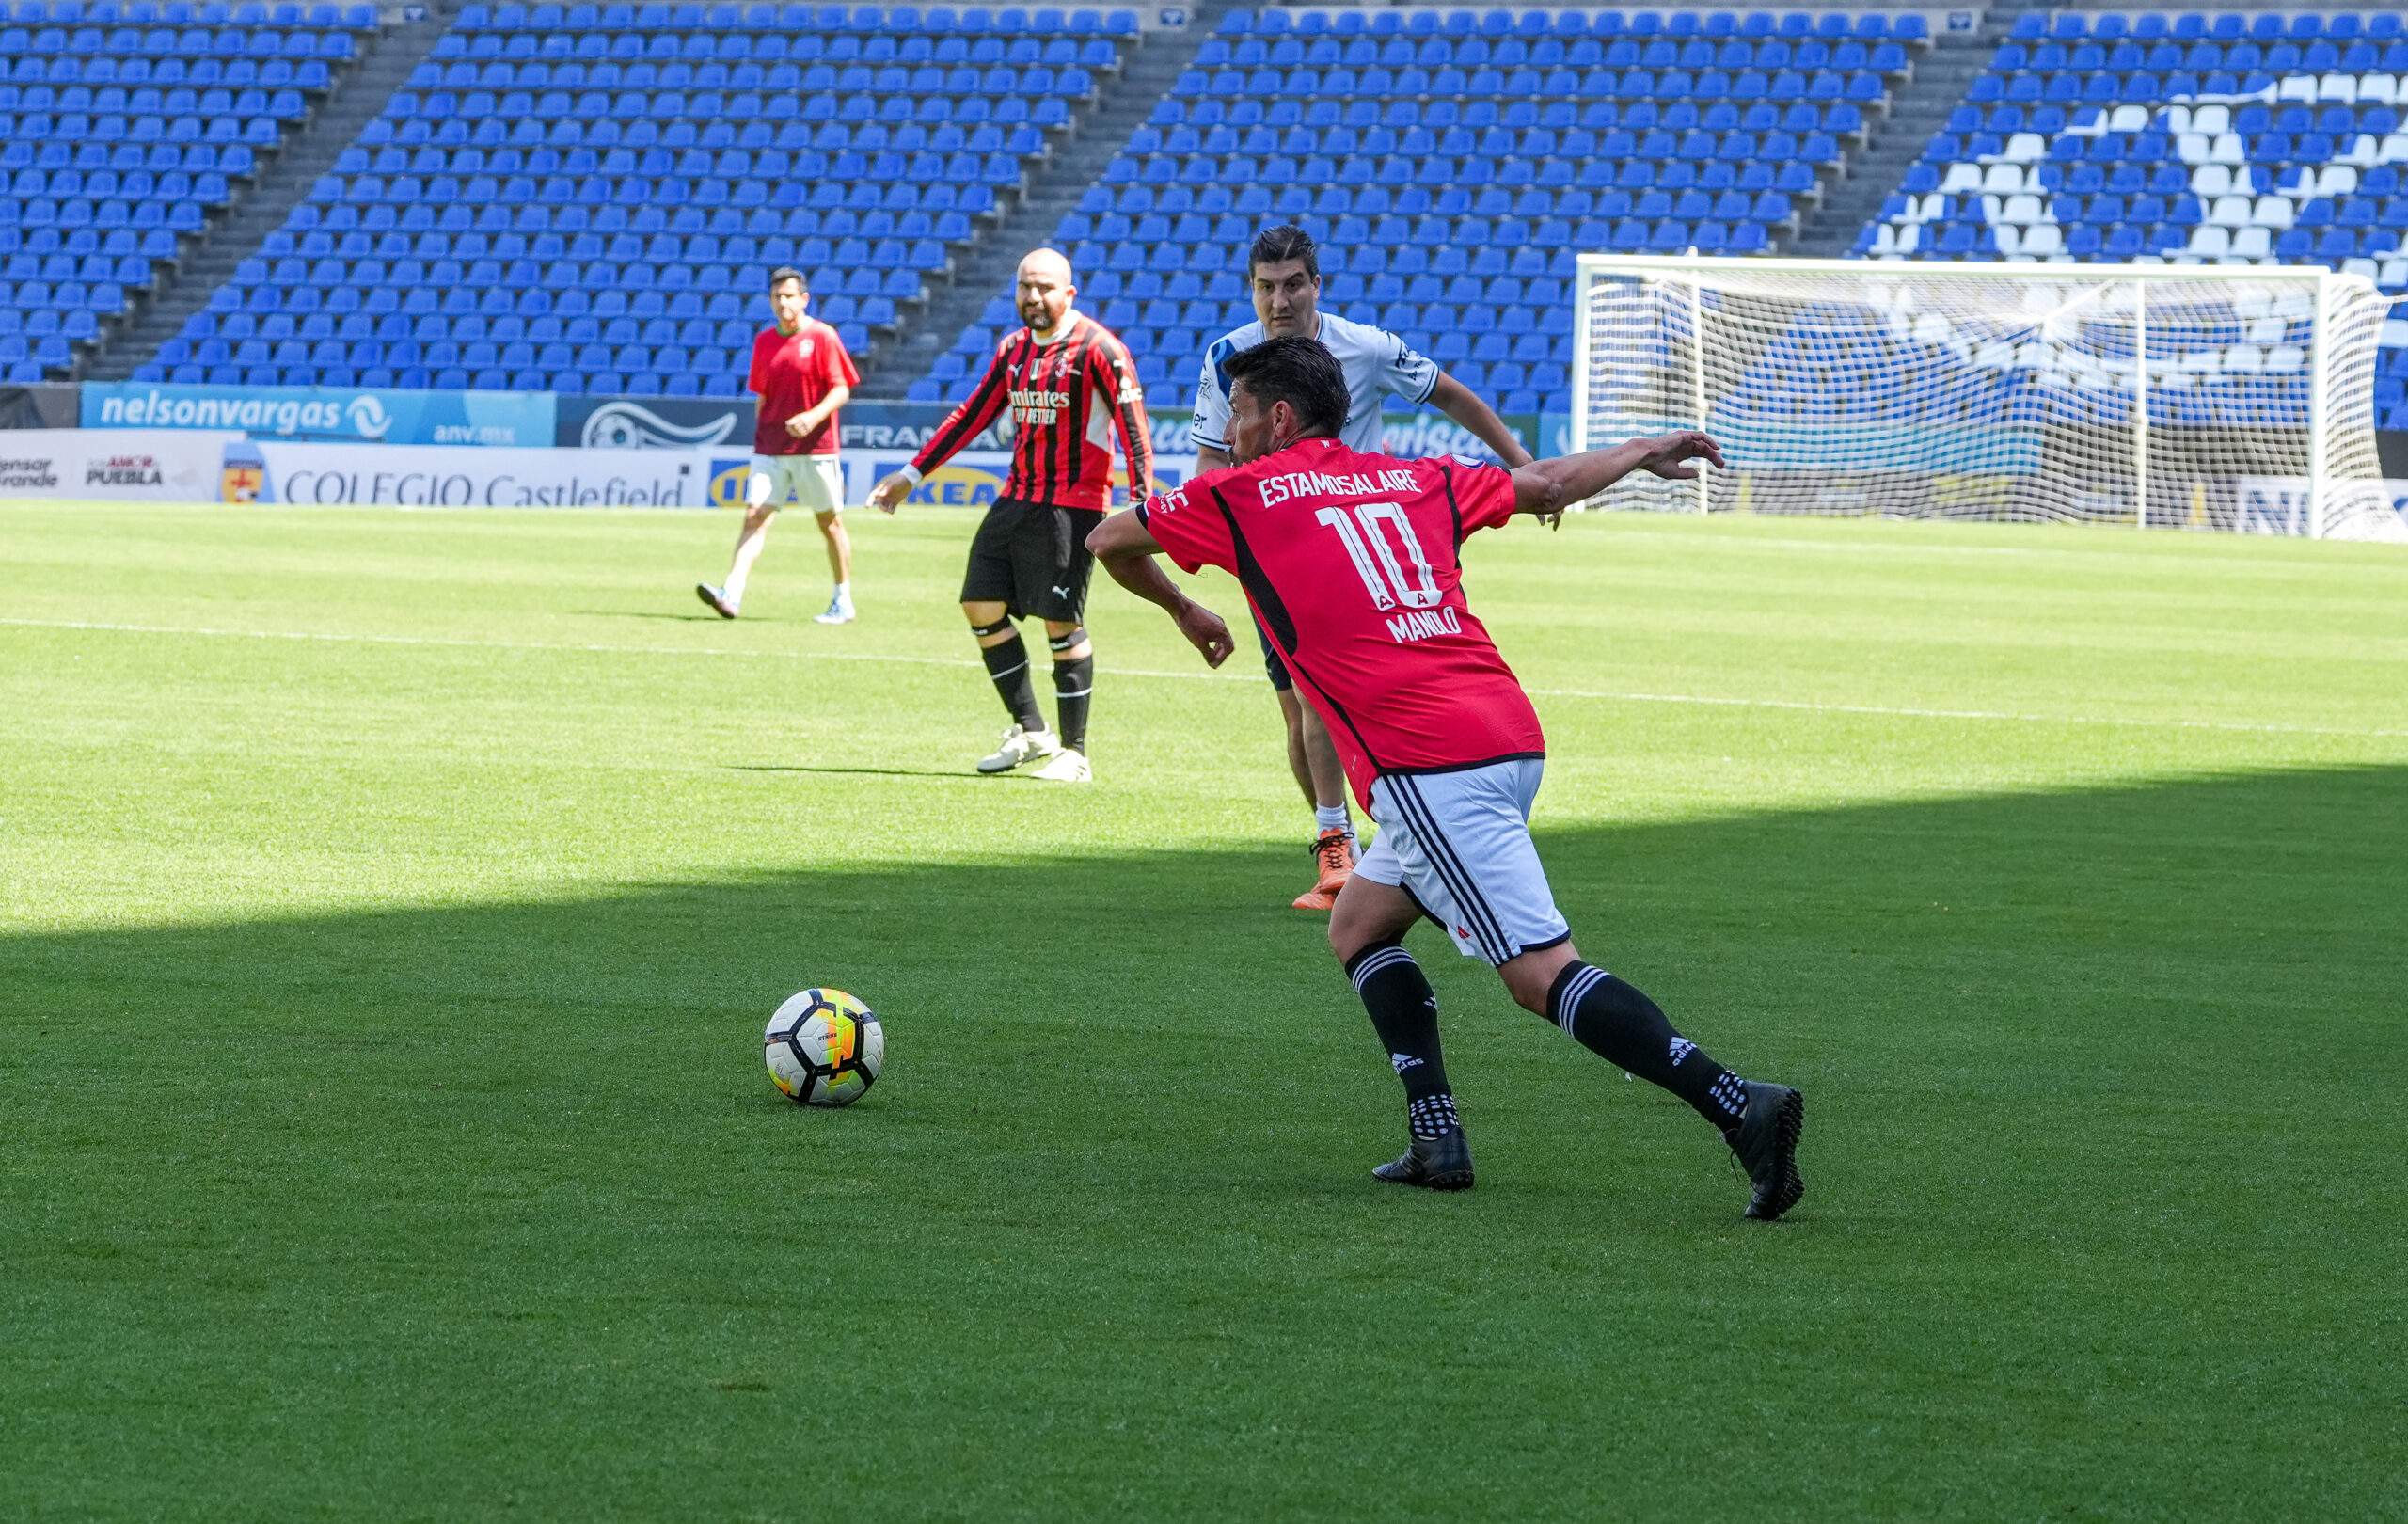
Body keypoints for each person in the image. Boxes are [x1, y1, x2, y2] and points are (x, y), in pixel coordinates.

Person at [1087, 336, 1804, 1219]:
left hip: (1428, 765)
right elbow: (1547, 485)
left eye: (1236, 414)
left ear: (1278, 417)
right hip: (1505, 731)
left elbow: (1109, 538)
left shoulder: (1237, 495)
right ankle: (1437, 1137)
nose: (1228, 433)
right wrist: (1641, 449)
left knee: (1540, 976)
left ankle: (1739, 1105)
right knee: (1358, 925)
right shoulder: (1414, 477)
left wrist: (1185, 608)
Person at [1191, 224, 1537, 913]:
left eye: (1294, 284)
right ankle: (1341, 842)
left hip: (1364, 547)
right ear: (1251, 290)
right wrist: (1227, 533)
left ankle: (1361, 842)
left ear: (1317, 285)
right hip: (1281, 555)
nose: (1280, 301)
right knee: (1298, 709)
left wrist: (1521, 461)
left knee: (1336, 697)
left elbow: (1449, 394)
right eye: (1266, 287)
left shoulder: (1367, 347)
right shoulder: (1230, 357)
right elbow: (1210, 455)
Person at [866, 247, 1151, 784]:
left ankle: (1075, 753)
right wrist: (911, 474)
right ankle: (1031, 731)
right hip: (1018, 495)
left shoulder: (1101, 349)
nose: (1033, 296)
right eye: (1025, 286)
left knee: (1061, 621)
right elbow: (971, 416)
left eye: (1044, 287)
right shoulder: (1013, 349)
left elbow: (1134, 430)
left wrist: (1142, 507)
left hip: (1074, 502)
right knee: (979, 604)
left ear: (1069, 293)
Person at [698, 266, 861, 625]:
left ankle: (843, 600)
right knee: (754, 516)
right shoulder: (764, 342)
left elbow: (841, 389)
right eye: (777, 296)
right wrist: (761, 434)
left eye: (789, 295)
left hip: (816, 448)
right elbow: (762, 394)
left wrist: (812, 418)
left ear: (804, 299)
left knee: (829, 523)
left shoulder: (822, 336)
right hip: (770, 448)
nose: (783, 302)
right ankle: (731, 594)